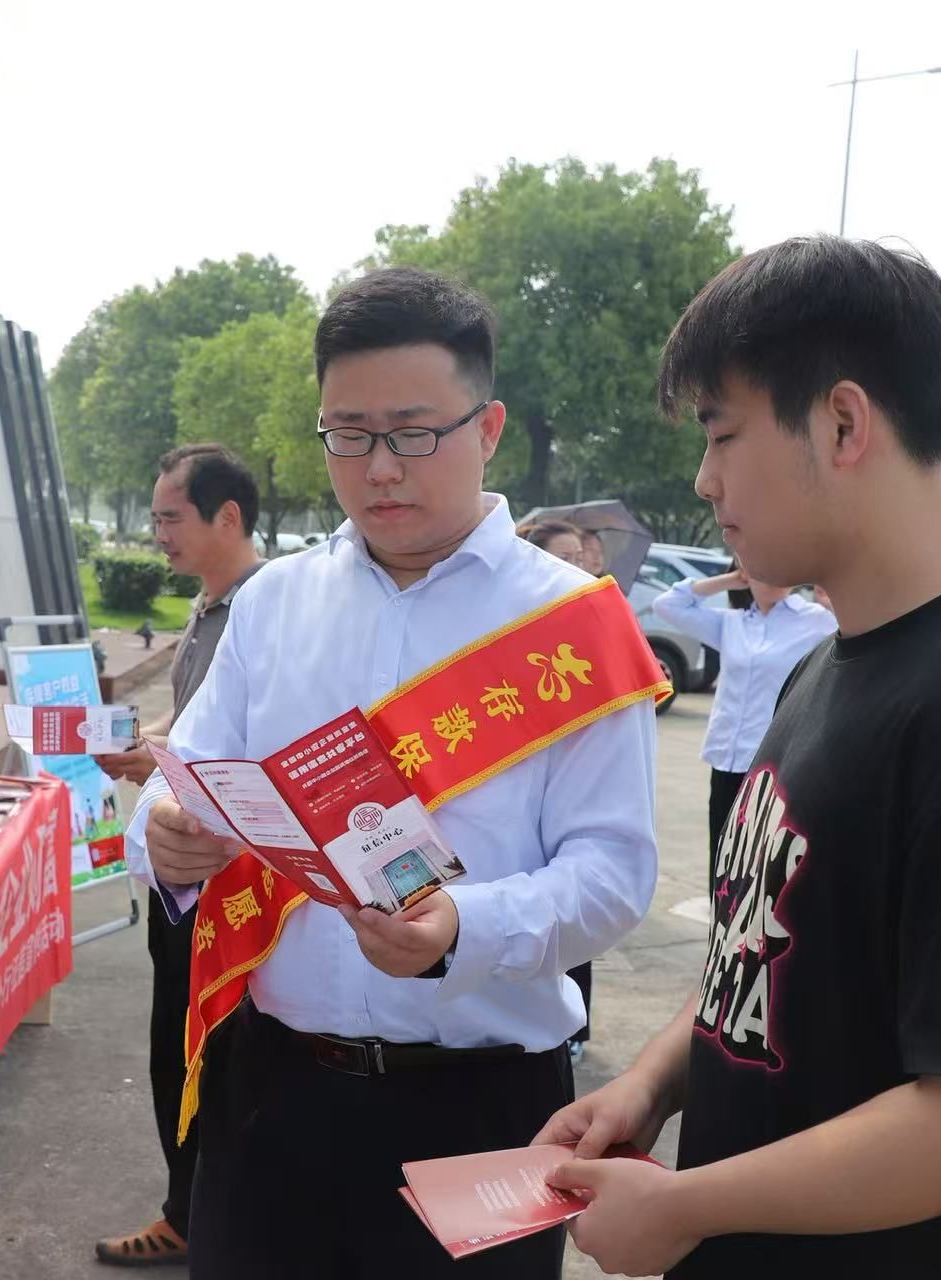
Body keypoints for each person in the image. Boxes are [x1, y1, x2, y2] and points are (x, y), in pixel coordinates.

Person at [538, 237, 941, 1280]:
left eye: (723, 432)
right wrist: (651, 1083)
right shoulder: (825, 669)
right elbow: (761, 955)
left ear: (843, 423)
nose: (705, 478)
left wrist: (685, 1205)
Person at [131, 267, 660, 1280]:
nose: (379, 469)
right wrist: (164, 830)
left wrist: (462, 927)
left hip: (481, 1105)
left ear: (487, 427)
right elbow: (184, 769)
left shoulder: (572, 624)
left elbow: (612, 875)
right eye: (348, 434)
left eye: (413, 434)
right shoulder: (276, 602)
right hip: (271, 1089)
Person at [91, 443, 264, 1269]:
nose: (157, 533)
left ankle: (198, 1215)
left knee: (202, 1052)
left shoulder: (265, 614)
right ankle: (192, 1207)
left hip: (222, 878)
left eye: (170, 517)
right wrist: (151, 748)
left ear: (226, 518)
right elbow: (197, 727)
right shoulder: (209, 605)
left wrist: (159, 759)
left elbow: (248, 753)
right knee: (177, 1042)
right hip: (177, 866)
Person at [651, 563, 836, 870]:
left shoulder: (815, 619)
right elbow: (667, 605)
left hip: (775, 762)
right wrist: (731, 579)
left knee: (759, 864)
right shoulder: (732, 623)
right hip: (727, 757)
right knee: (722, 854)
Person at [517, 519, 597, 1062]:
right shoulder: (515, 623)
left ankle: (577, 1032)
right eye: (565, 556)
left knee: (572, 932)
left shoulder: (587, 613)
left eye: (581, 555)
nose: (578, 565)